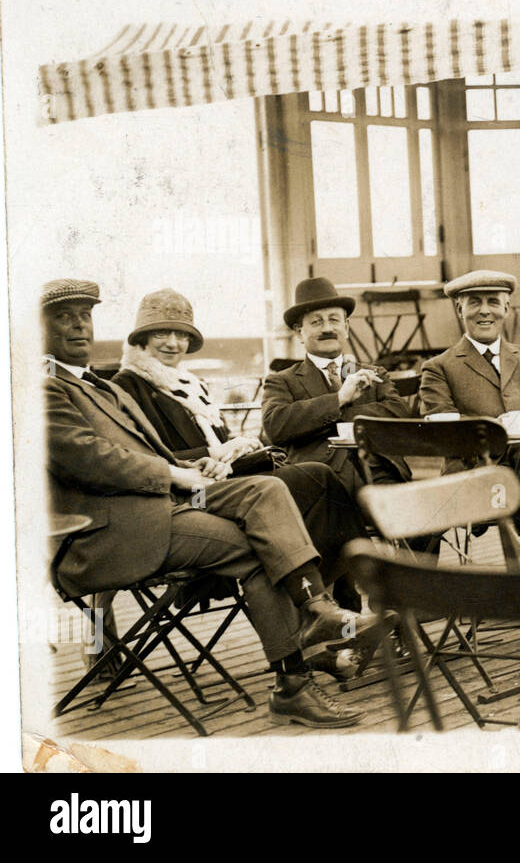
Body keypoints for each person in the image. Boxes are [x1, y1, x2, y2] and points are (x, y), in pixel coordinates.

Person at [42, 279, 387, 729]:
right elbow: (89, 459)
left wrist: (206, 461)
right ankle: (294, 680)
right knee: (260, 541)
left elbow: (150, 454)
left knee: (268, 491)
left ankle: (317, 610)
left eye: (85, 316)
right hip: (110, 530)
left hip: (163, 502)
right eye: (64, 317)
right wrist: (175, 471)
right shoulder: (42, 389)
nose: (79, 326)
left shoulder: (102, 388)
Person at [111, 288, 370, 680]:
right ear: (141, 339)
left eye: (181, 335)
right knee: (298, 486)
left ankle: (328, 606)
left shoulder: (189, 386)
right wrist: (214, 455)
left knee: (320, 478)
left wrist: (244, 451)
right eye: (162, 333)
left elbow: (221, 448)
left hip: (224, 483)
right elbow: (148, 458)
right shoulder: (126, 387)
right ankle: (318, 616)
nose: (173, 343)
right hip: (185, 496)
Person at [418, 270, 520, 567]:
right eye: (474, 302)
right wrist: (499, 428)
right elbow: (440, 426)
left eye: (493, 301)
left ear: (506, 308)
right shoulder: (438, 367)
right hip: (477, 476)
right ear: (459, 309)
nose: (485, 310)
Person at [261, 277, 412, 496]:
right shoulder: (282, 380)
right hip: (322, 484)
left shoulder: (375, 374)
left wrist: (336, 414)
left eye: (334, 320)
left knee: (417, 518)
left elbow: (400, 414)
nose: (327, 328)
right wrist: (339, 399)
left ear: (346, 328)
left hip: (381, 474)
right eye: (316, 322)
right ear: (299, 333)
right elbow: (275, 427)